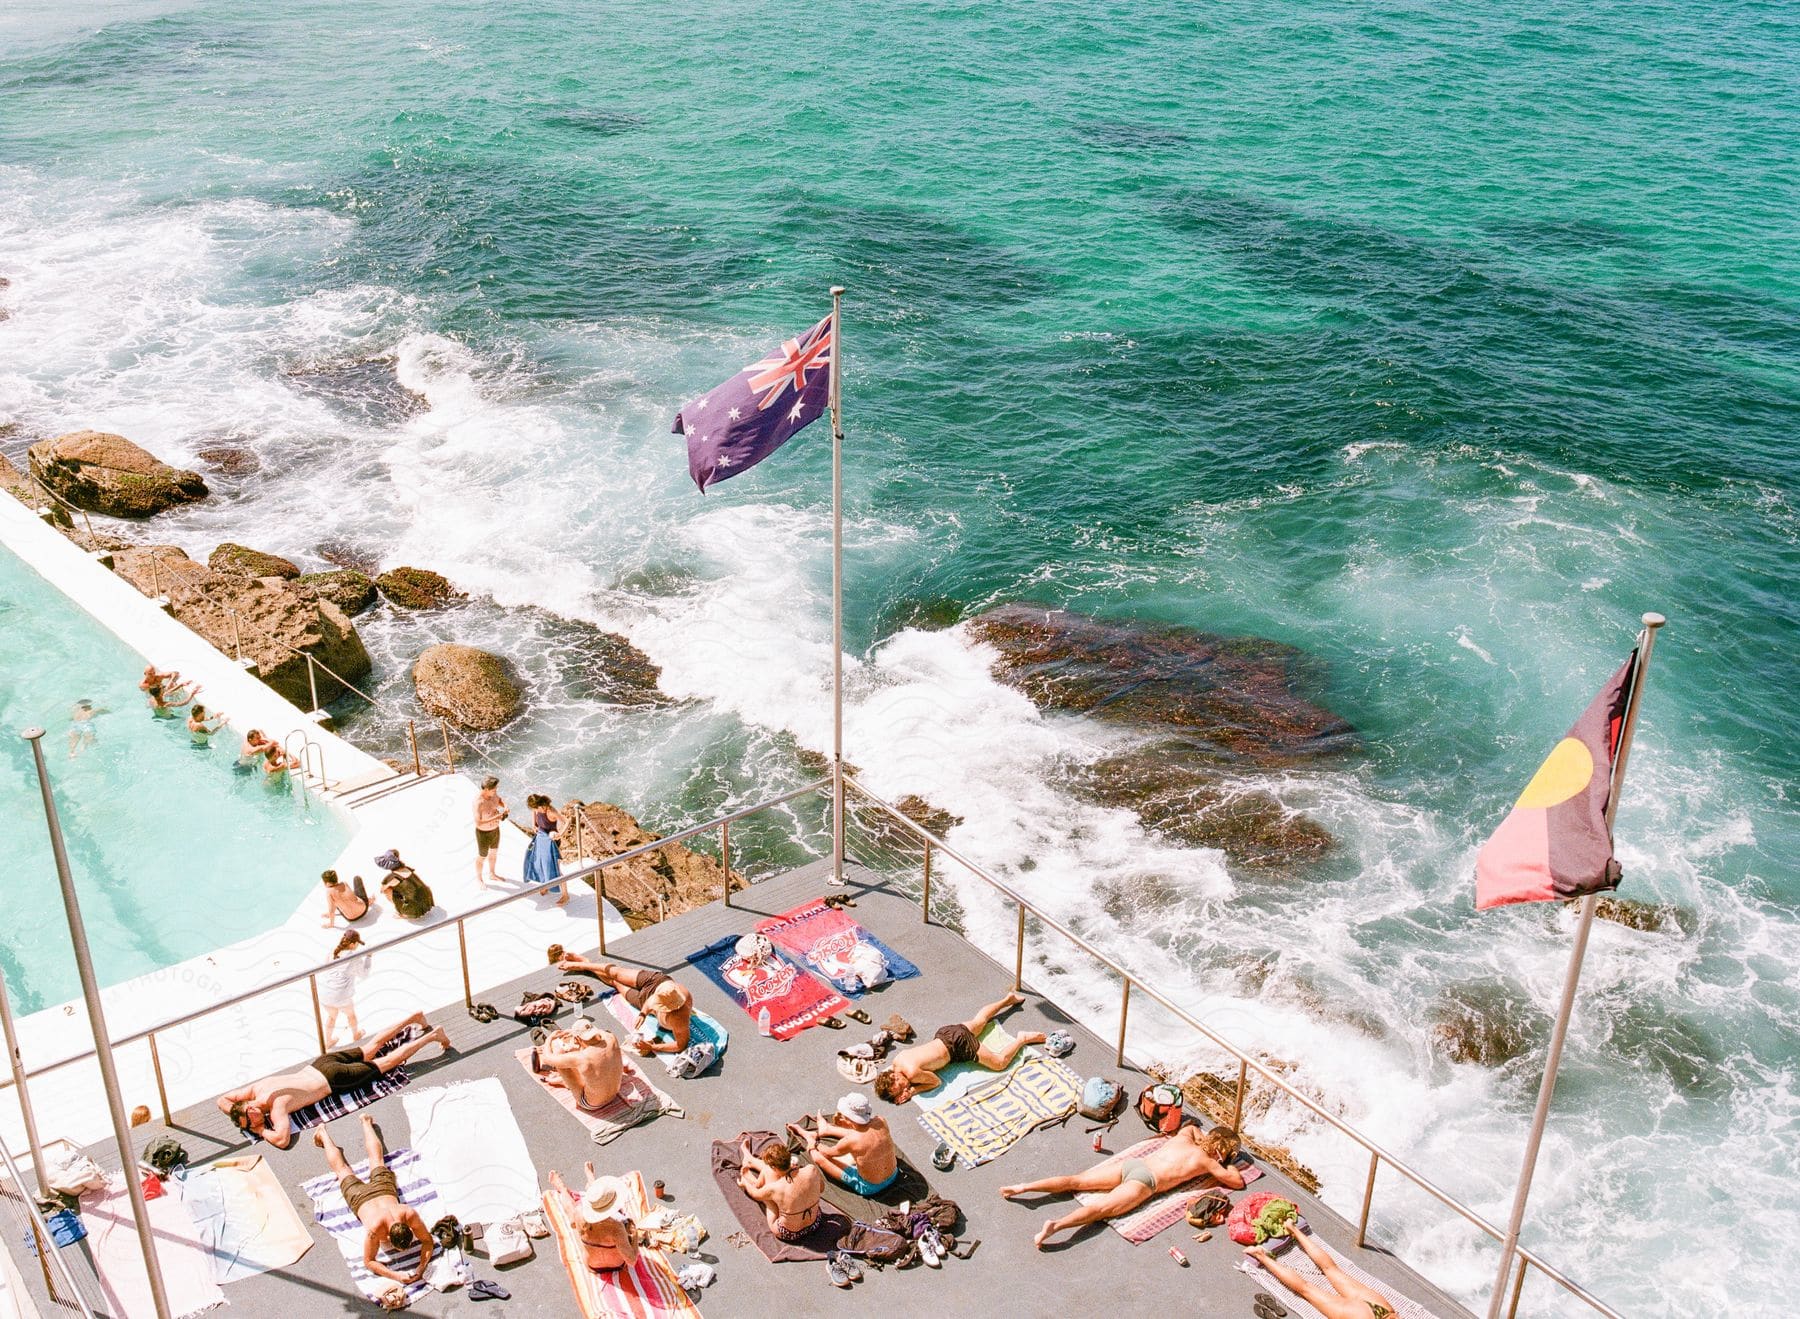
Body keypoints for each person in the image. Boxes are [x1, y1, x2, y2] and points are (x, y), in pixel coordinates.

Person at [217, 1010, 450, 1148]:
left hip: (334, 1079)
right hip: (321, 1064)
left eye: (254, 1121)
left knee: (386, 1063)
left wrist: (259, 1132)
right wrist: (239, 1114)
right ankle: (414, 1017)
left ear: (251, 1111)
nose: (259, 1123)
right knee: (371, 1047)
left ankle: (431, 1037)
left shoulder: (277, 1108)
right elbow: (222, 1101)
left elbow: (281, 1140)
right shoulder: (257, 1089)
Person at [1000, 1123, 1246, 1248]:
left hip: (1133, 1165)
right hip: (1146, 1183)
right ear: (1220, 1151)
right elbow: (1237, 1182)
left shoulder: (1184, 1138)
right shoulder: (1208, 1162)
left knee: (1076, 1180)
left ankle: (1023, 1186)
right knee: (1101, 1210)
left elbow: (1192, 1127)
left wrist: (1205, 1140)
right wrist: (1226, 1164)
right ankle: (1056, 1226)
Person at [315, 1115, 433, 1286]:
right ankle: (346, 1127)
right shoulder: (380, 1228)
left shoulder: (406, 1214)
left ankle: (329, 1131)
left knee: (365, 1163)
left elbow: (427, 1241)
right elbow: (369, 1261)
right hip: (362, 1197)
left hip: (380, 1191)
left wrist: (422, 1267)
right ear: (389, 1237)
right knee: (345, 1169)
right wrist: (396, 1276)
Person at [872, 991, 1045, 1104]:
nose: (904, 1086)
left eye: (900, 1086)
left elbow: (935, 1082)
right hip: (945, 1034)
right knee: (980, 1021)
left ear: (894, 1078)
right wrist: (904, 1090)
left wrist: (912, 1092)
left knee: (999, 1063)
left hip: (958, 1045)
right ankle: (1007, 999)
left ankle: (1021, 1039)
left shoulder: (911, 1074)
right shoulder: (897, 1062)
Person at [1247, 1219, 1399, 1319]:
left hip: (1385, 1311)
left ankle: (1292, 1229)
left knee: (1331, 1269)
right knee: (1306, 1289)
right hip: (1359, 1316)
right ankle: (1261, 1256)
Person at [557, 957, 694, 1054]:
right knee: (616, 972)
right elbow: (652, 1000)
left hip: (643, 999)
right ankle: (584, 964)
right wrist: (643, 1013)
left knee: (615, 982)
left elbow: (680, 1045)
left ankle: (589, 966)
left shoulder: (679, 1019)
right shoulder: (670, 991)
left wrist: (652, 1046)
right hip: (655, 981)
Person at [794, 1092, 898, 1195]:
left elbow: (828, 1153)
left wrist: (814, 1143)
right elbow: (863, 1133)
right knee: (861, 1133)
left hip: (869, 1187)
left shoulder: (852, 1140)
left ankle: (809, 1137)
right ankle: (827, 1129)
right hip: (893, 1175)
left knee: (820, 1158)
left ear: (848, 1118)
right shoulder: (881, 1121)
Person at [548, 1165, 639, 1271]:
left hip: (591, 1266)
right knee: (626, 1224)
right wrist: (635, 1233)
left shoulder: (579, 1214)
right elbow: (631, 1261)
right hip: (617, 1265)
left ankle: (562, 1189)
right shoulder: (616, 1228)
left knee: (574, 1212)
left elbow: (573, 1224)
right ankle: (591, 1181)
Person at [738, 1137, 823, 1243]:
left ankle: (750, 1162)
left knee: (768, 1198)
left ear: (774, 1167)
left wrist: (745, 1182)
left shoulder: (775, 1188)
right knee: (772, 1177)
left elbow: (755, 1194)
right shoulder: (811, 1170)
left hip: (788, 1233)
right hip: (815, 1223)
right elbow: (821, 1189)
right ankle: (750, 1160)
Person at [538, 1019, 623, 1112]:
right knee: (589, 1066)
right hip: (614, 1094)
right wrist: (573, 1032)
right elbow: (600, 1033)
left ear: (577, 1039)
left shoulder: (581, 1057)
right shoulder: (611, 1038)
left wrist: (549, 1039)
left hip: (591, 1104)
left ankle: (565, 1082)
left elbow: (547, 1058)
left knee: (561, 1059)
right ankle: (567, 1080)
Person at [318, 931, 369, 1045]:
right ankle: (356, 1035)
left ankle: (328, 1041)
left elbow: (326, 967)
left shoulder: (332, 951)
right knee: (351, 1015)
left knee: (332, 1016)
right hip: (340, 995)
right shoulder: (354, 958)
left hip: (325, 992)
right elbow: (364, 975)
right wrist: (368, 958)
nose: (357, 946)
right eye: (357, 943)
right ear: (352, 944)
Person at [521, 793, 568, 907]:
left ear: (539, 805)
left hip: (552, 842)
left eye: (535, 808)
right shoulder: (537, 809)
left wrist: (560, 834)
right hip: (541, 839)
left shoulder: (550, 811)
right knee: (541, 864)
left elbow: (566, 821)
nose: (534, 810)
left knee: (556, 869)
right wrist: (534, 825)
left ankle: (566, 895)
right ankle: (546, 885)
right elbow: (534, 813)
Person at [473, 776, 509, 887]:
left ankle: (492, 873)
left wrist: (506, 807)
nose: (495, 791)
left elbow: (500, 800)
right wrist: (497, 817)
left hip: (495, 830)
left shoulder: (493, 795)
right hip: (483, 833)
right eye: (494, 790)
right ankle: (479, 879)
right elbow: (478, 822)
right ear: (486, 789)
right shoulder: (478, 802)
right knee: (482, 856)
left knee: (493, 853)